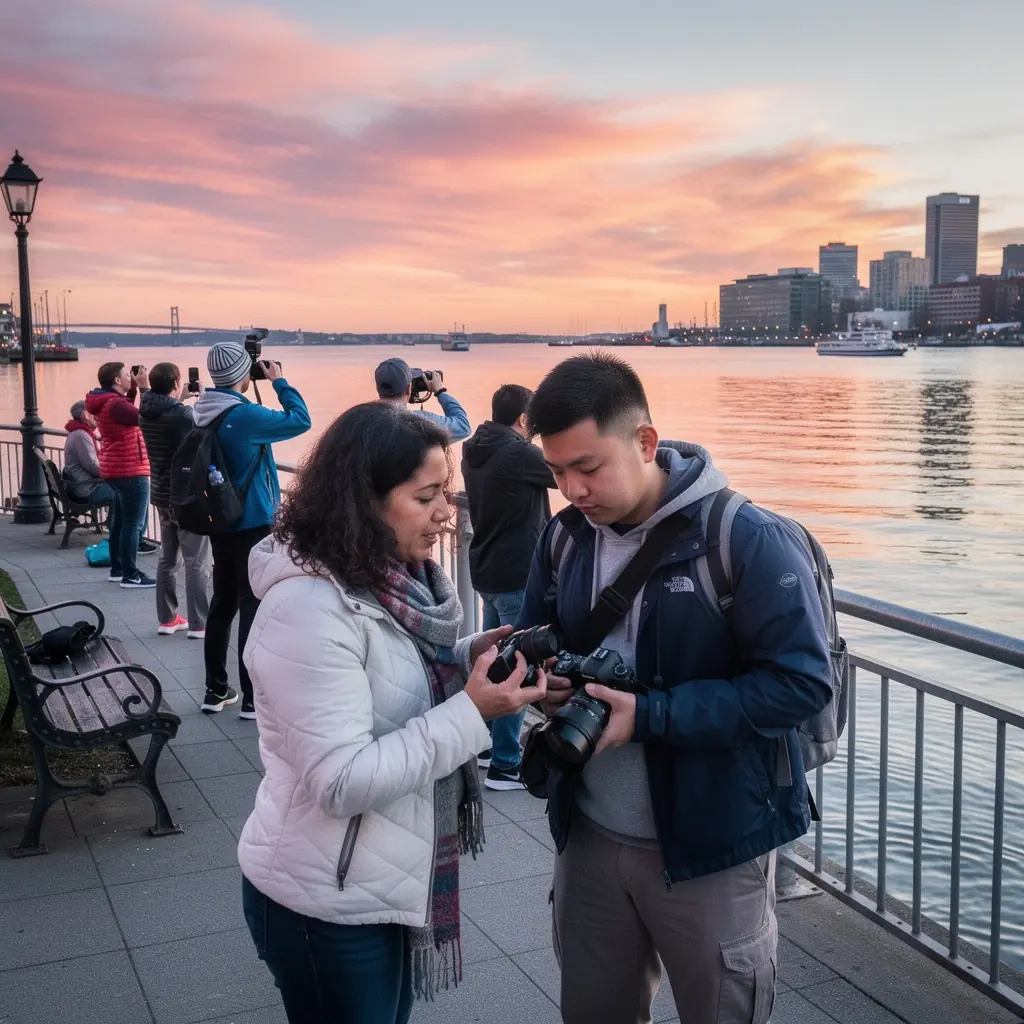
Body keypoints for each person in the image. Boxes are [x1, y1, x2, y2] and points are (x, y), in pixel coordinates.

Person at [517, 353, 833, 1024]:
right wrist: (541, 684)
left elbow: (802, 685)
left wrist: (650, 715)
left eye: (589, 467)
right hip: (590, 835)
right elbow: (533, 631)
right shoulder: (565, 537)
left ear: (646, 442)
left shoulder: (747, 539)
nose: (573, 489)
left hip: (711, 846)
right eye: (558, 471)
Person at [238, 402, 544, 1023]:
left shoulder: (382, 582)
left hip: (374, 882)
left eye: (447, 493)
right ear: (363, 501)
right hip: (325, 900)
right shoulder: (309, 609)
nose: (444, 514)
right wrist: (472, 712)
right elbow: (339, 780)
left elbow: (386, 683)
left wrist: (466, 659)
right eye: (426, 495)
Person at [192, 341, 310, 718]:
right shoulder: (243, 417)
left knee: (222, 603)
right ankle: (250, 698)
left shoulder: (204, 410)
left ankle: (215, 690)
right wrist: (279, 381)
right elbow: (300, 419)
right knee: (251, 606)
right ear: (243, 374)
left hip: (219, 520)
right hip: (252, 523)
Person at [462, 383, 556, 790]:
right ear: (522, 420)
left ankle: (485, 745)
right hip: (518, 573)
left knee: (493, 658)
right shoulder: (518, 453)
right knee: (520, 664)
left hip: (485, 568)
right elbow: (565, 469)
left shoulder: (474, 448)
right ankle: (505, 762)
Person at [139, 362, 211, 639]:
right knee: (196, 561)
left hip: (160, 493)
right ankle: (199, 623)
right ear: (176, 382)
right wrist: (202, 399)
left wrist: (179, 398)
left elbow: (164, 409)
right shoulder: (182, 415)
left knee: (167, 558)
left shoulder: (145, 413)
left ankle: (167, 619)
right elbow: (204, 426)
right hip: (185, 495)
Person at [86, 362, 157, 589]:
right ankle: (131, 574)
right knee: (133, 524)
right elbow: (146, 417)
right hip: (129, 468)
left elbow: (129, 413)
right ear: (117, 380)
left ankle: (117, 569)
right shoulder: (115, 404)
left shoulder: (108, 402)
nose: (130, 376)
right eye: (126, 375)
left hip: (116, 468)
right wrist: (145, 389)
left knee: (119, 522)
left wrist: (134, 389)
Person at [374, 357, 471, 441]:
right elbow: (463, 426)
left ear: (378, 388)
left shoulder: (365, 419)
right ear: (408, 389)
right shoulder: (420, 422)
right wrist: (440, 392)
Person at [62, 400, 115, 505]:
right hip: (86, 489)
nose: (98, 415)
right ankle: (117, 522)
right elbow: (93, 466)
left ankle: (118, 521)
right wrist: (113, 473)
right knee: (125, 492)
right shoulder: (81, 436)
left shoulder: (78, 433)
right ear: (86, 415)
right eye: (94, 412)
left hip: (82, 485)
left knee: (124, 488)